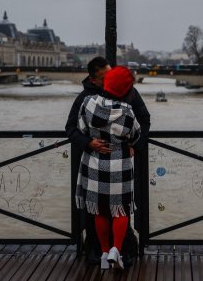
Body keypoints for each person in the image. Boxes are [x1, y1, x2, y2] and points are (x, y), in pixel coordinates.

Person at [65, 57, 151, 266]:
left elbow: (146, 119)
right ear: (94, 80)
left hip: (114, 162)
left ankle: (117, 250)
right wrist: (89, 143)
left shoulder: (113, 95)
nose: (110, 80)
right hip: (104, 161)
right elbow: (70, 129)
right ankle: (102, 249)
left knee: (110, 210)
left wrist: (134, 147)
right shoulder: (85, 97)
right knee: (107, 210)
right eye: (105, 77)